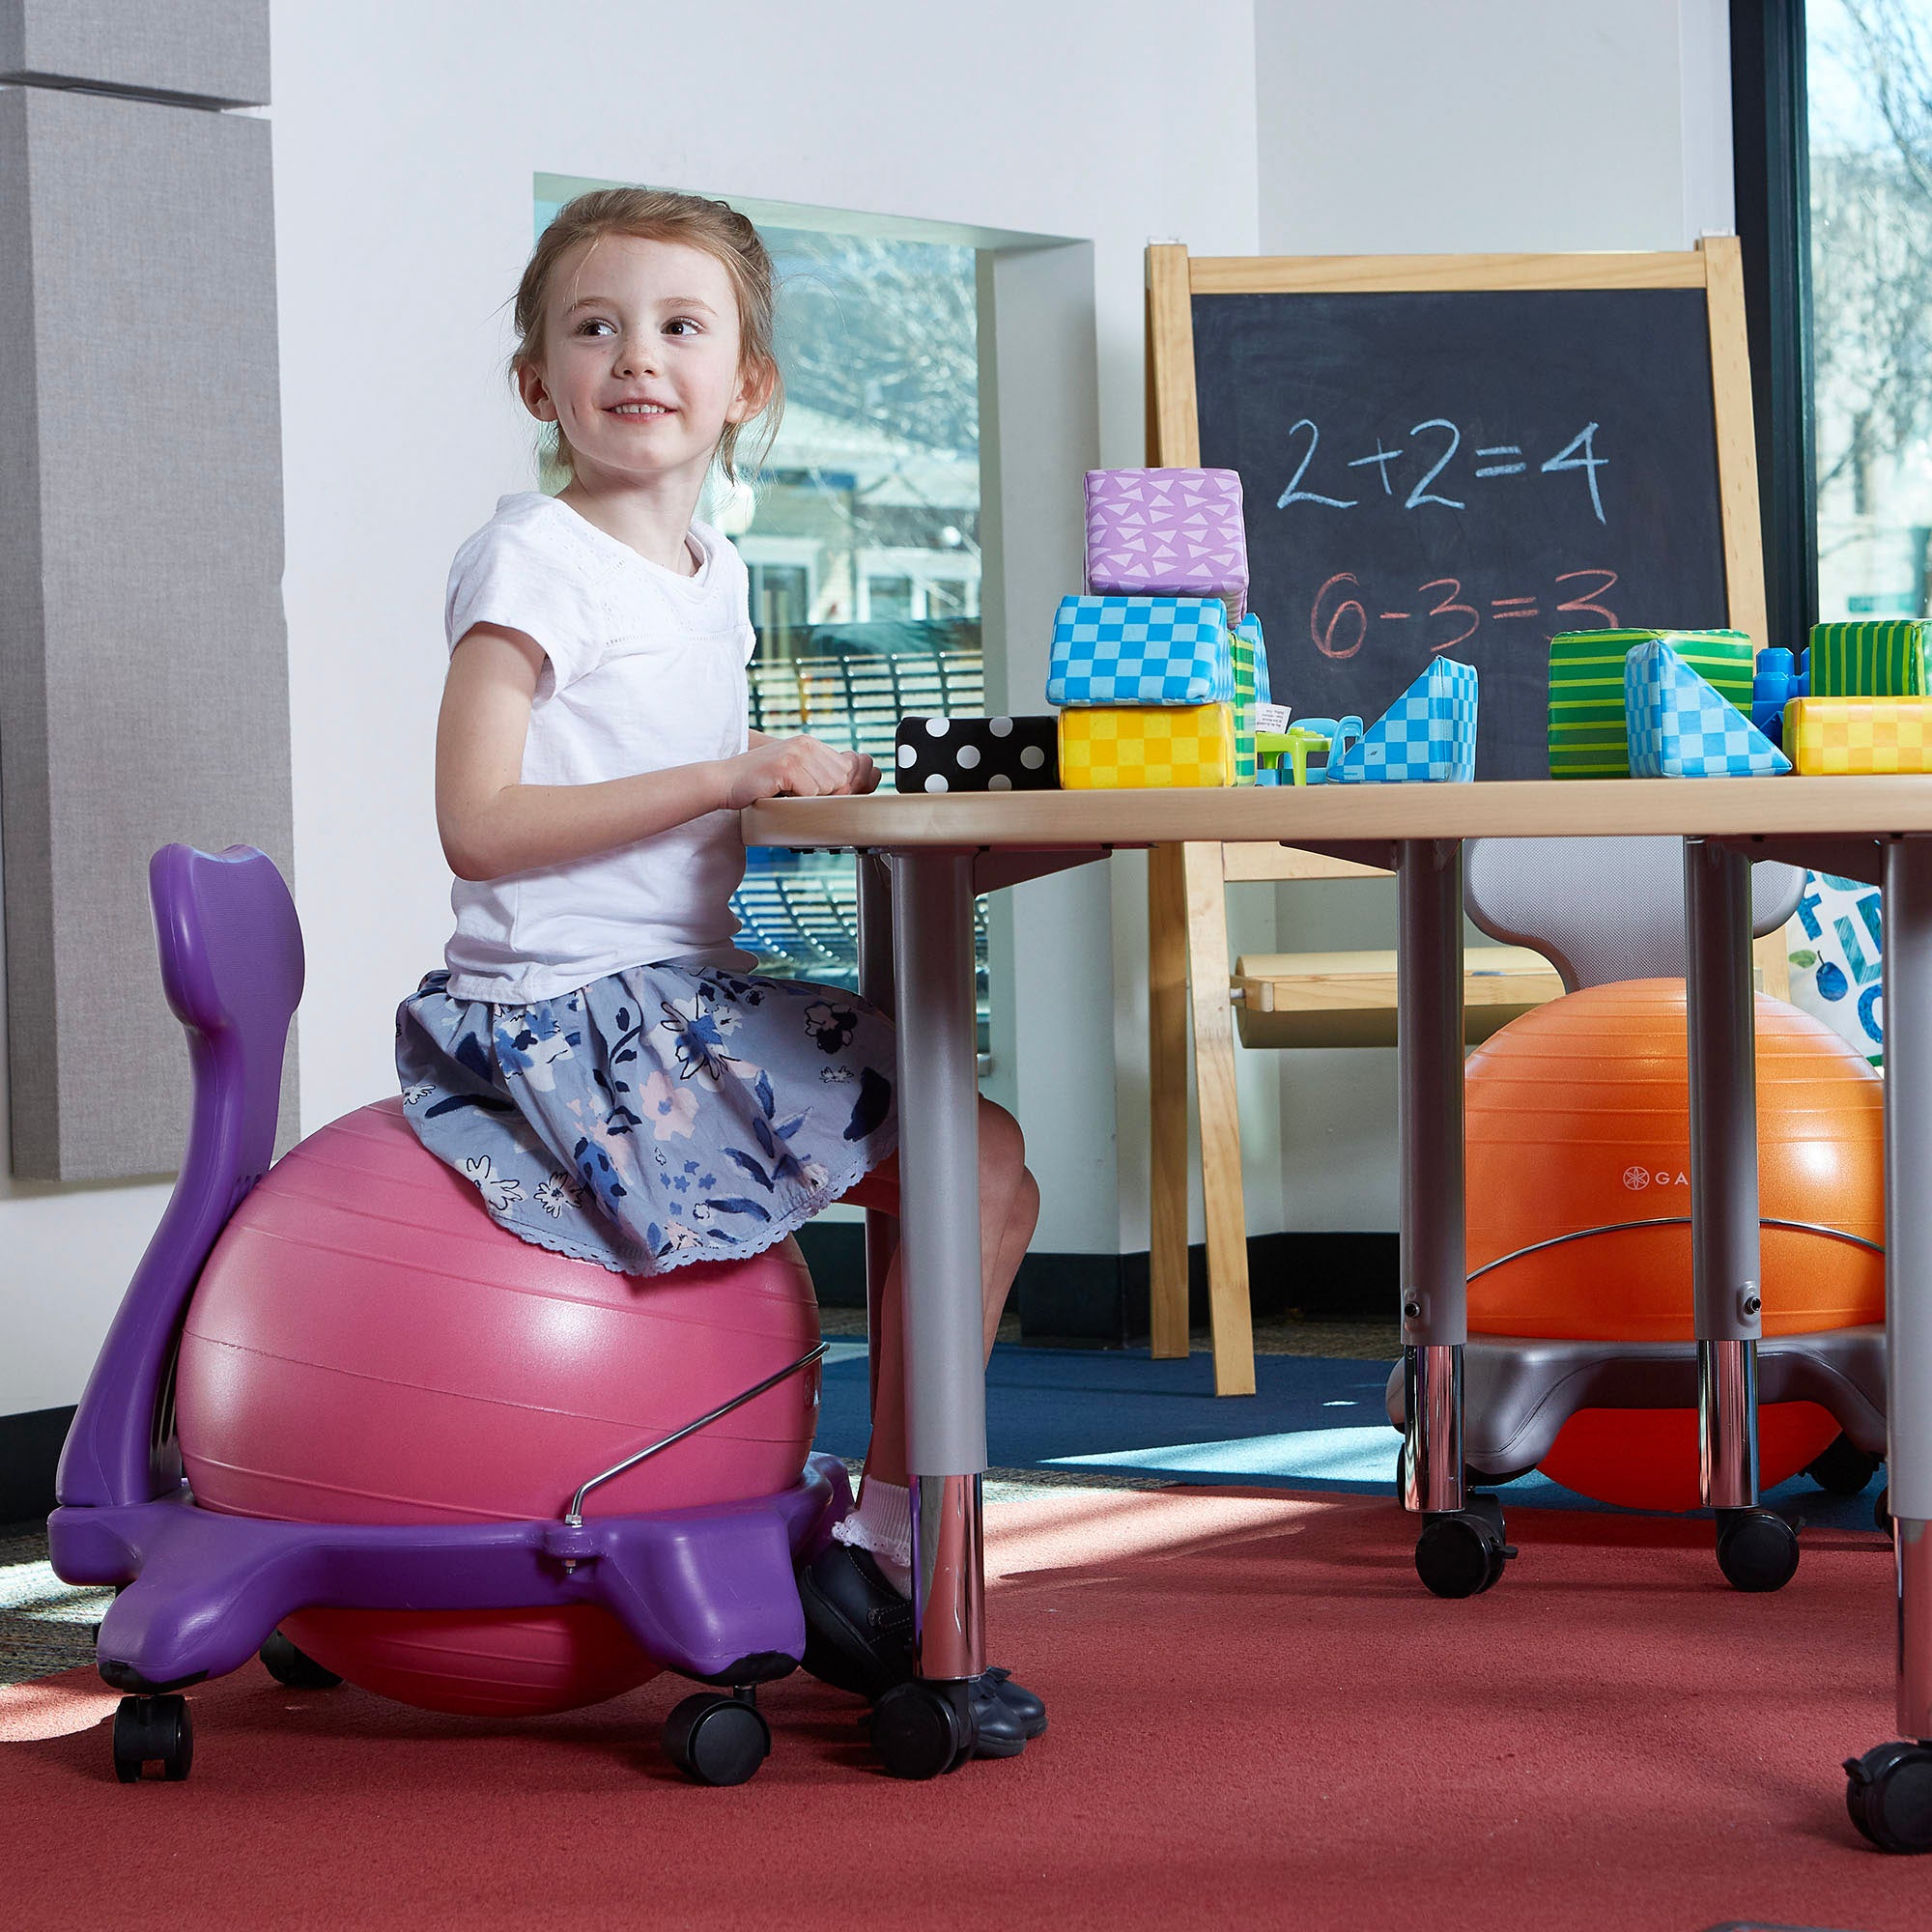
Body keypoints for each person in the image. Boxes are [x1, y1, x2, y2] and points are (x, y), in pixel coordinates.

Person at [394, 187, 1044, 1755]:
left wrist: (769, 785)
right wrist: (724, 780)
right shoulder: (532, 559)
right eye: (594, 327)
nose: (639, 358)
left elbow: (682, 789)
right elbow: (477, 826)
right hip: (563, 1020)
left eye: (683, 327)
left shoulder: (711, 564)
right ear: (538, 382)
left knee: (985, 1160)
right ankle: (884, 1558)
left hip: (669, 988)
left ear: (746, 382)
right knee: (980, 1166)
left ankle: (880, 1538)